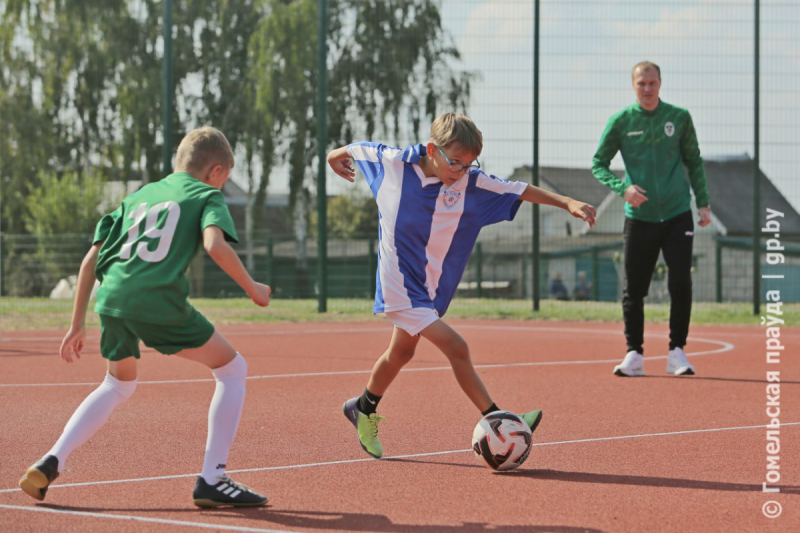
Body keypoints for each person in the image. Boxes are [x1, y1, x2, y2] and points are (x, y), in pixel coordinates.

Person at [18, 127, 271, 508]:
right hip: (156, 299)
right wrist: (252, 288)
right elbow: (214, 244)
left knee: (117, 384)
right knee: (232, 370)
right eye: (224, 178)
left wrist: (76, 323)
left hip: (111, 298)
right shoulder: (207, 195)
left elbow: (90, 260)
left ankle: (51, 460)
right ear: (216, 171)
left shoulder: (137, 197)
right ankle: (213, 478)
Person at [327, 112, 596, 458]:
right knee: (457, 347)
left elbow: (519, 189)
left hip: (428, 289)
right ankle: (500, 420)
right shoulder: (393, 164)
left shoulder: (471, 184)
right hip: (398, 285)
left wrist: (568, 202)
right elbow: (357, 148)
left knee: (402, 353)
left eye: (470, 164)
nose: (462, 170)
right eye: (456, 162)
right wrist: (334, 157)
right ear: (431, 150)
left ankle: (362, 408)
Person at [591, 61, 711, 377]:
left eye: (652, 83)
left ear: (660, 83)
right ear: (633, 85)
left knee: (680, 282)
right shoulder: (621, 121)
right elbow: (599, 163)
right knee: (634, 287)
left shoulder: (679, 117)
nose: (647, 88)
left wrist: (703, 203)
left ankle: (677, 352)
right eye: (641, 83)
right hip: (639, 218)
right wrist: (624, 189)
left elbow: (694, 161)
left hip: (677, 214)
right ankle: (634, 354)